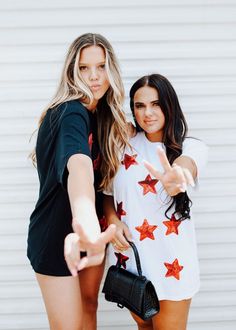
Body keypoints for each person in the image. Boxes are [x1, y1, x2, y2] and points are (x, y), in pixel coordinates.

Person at [27, 33, 130, 330]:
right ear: (72, 70)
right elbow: (79, 166)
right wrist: (85, 220)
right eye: (84, 68)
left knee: (89, 308)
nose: (94, 77)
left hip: (90, 237)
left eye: (101, 67)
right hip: (58, 238)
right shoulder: (70, 112)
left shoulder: (99, 115)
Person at [103, 74, 208, 330]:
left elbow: (186, 167)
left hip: (172, 264)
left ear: (169, 106)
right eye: (140, 106)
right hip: (131, 261)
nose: (148, 113)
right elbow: (106, 193)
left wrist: (177, 177)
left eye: (156, 104)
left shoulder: (191, 147)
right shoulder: (122, 145)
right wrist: (114, 221)